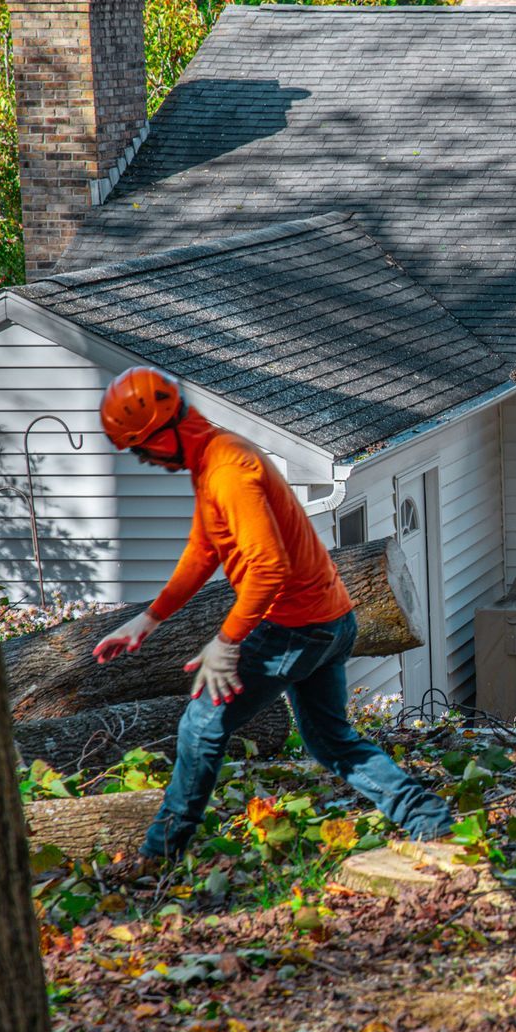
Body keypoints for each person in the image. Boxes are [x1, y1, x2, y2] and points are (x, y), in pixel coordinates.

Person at [91, 366, 452, 862]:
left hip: (296, 628)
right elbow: (204, 550)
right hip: (330, 620)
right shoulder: (213, 456)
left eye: (141, 448)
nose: (144, 460)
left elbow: (269, 569)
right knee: (331, 741)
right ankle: (429, 820)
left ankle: (161, 853)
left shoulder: (229, 471)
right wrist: (150, 618)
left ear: (165, 431)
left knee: (201, 723)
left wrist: (225, 643)